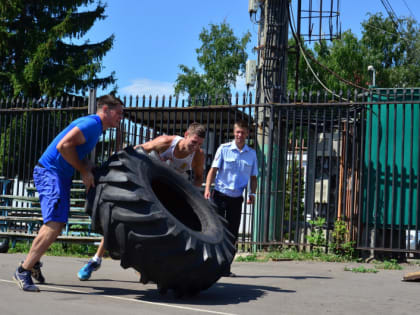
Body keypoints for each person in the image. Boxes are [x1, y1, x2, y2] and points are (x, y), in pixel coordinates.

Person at [13, 94, 124, 292]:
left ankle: (34, 261)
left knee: (57, 223)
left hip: (59, 175)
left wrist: (89, 167)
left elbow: (77, 153)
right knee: (55, 223)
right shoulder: (91, 124)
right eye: (118, 112)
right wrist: (82, 169)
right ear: (105, 109)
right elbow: (63, 146)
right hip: (50, 172)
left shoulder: (96, 129)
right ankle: (23, 270)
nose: (121, 117)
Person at [77, 122, 206, 280]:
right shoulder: (166, 142)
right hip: (146, 185)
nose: (195, 147)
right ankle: (95, 260)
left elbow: (199, 177)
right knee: (122, 219)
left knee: (164, 229)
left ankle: (149, 265)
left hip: (169, 191)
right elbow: (138, 150)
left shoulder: (198, 155)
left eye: (199, 144)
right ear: (186, 135)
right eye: (193, 142)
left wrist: (191, 195)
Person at [204, 120, 258, 277]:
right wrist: (207, 189)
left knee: (232, 233)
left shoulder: (252, 154)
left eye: (243, 132)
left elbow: (254, 177)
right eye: (237, 132)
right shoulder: (224, 149)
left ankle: (225, 267)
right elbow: (213, 170)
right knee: (216, 230)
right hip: (220, 195)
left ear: (247, 134)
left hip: (236, 198)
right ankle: (211, 265)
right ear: (234, 133)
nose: (240, 135)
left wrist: (252, 193)